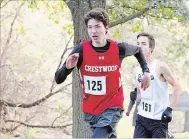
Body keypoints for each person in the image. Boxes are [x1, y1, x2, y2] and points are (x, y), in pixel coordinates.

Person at [55, 8, 151, 138]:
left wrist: (146, 71)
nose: (93, 31)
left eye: (97, 26)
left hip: (113, 106)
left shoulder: (118, 48)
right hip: (91, 109)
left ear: (106, 27)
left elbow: (138, 51)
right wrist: (67, 68)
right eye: (90, 27)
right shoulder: (81, 50)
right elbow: (58, 79)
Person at [131, 32, 181, 138]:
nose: (139, 46)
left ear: (151, 48)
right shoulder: (136, 69)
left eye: (143, 44)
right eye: (138, 43)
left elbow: (177, 86)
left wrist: (170, 109)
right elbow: (140, 94)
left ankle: (168, 135)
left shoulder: (160, 67)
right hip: (142, 118)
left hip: (159, 120)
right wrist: (135, 97)